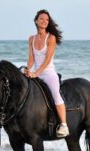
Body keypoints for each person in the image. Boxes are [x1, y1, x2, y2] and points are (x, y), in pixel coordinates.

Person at [25, 9, 69, 137]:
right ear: (36, 21)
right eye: (42, 19)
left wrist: (36, 73)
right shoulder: (31, 39)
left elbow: (47, 59)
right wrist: (27, 69)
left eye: (47, 19)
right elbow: (31, 58)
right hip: (35, 73)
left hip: (48, 73)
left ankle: (64, 125)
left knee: (56, 95)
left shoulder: (51, 38)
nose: (44, 21)